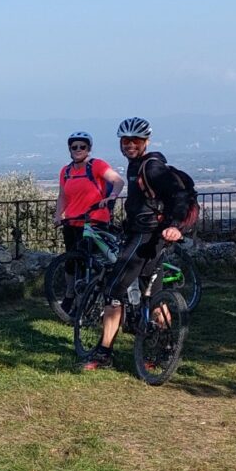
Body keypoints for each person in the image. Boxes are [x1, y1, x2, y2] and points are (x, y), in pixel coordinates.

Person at [84, 118, 193, 371]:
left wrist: (176, 225)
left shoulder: (151, 167)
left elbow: (179, 196)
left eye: (135, 140)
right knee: (152, 296)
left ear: (146, 142)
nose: (129, 145)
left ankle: (104, 354)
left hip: (145, 236)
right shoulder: (136, 166)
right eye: (125, 141)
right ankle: (165, 350)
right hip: (152, 237)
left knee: (113, 291)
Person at [55, 131, 125, 266]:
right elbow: (63, 196)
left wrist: (112, 196)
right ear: (69, 149)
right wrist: (58, 215)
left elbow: (118, 181)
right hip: (72, 222)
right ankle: (71, 281)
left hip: (95, 221)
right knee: (71, 263)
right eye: (74, 147)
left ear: (88, 149)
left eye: (82, 147)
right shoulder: (66, 171)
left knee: (95, 262)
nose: (78, 150)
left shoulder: (97, 165)